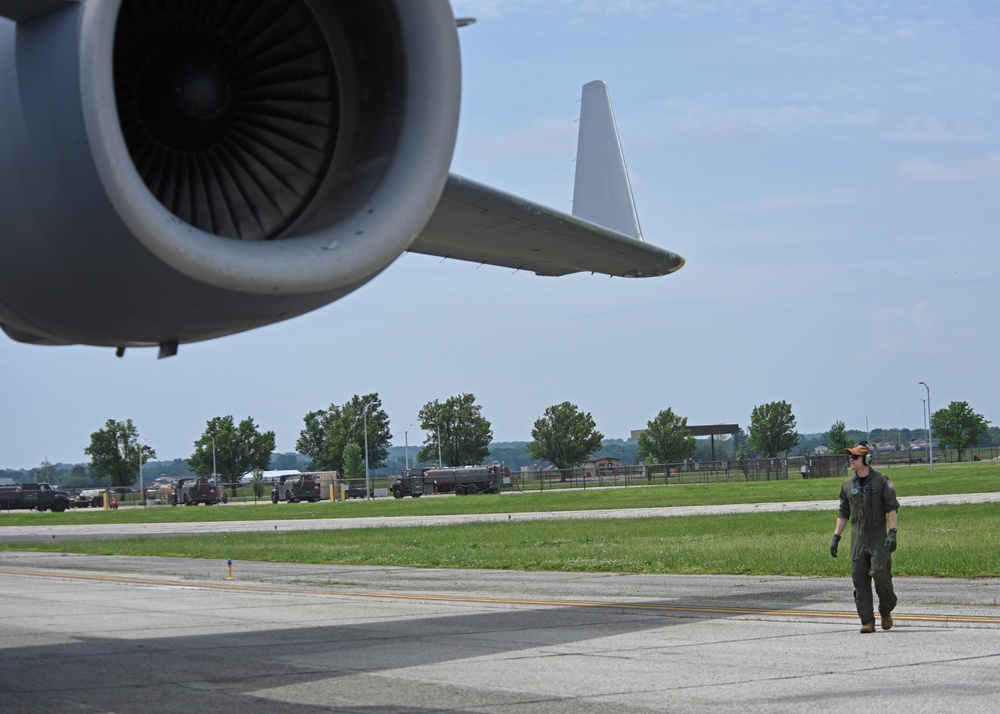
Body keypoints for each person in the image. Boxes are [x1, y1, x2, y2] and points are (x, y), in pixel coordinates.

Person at [829, 441, 899, 633]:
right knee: (859, 580)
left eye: (855, 457)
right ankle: (867, 621)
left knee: (879, 573)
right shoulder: (846, 486)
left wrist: (892, 532)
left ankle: (886, 611)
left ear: (867, 459)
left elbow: (892, 508)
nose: (851, 460)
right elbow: (843, 513)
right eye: (850, 457)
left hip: (878, 538)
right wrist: (836, 537)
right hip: (857, 539)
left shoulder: (882, 481)